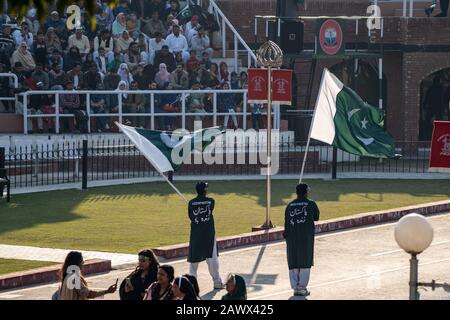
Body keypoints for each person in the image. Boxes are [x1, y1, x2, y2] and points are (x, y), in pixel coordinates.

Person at [284, 183, 320, 297]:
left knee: (293, 261)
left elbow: (286, 223)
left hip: (292, 238)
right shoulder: (311, 203)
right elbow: (316, 217)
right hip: (306, 238)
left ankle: (296, 287)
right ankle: (301, 288)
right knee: (305, 262)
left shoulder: (289, 205)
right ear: (306, 192)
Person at [187, 181, 223, 289]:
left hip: (196, 234)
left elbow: (190, 216)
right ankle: (217, 282)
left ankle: (191, 285)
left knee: (194, 261)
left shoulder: (191, 203)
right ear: (205, 190)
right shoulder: (211, 201)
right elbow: (210, 209)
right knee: (212, 259)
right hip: (209, 235)